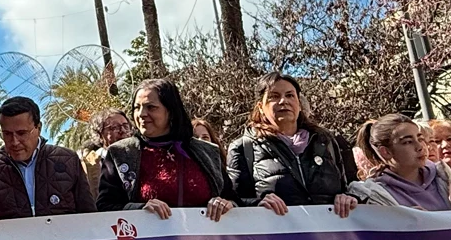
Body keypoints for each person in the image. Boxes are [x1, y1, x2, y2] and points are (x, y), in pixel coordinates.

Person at [98, 79, 236, 221]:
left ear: (170, 110)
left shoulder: (207, 152)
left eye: (150, 107)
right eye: (136, 107)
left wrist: (226, 205)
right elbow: (105, 206)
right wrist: (139, 209)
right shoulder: (120, 154)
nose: (141, 114)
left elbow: (233, 200)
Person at [227, 73, 355, 218]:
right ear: (260, 107)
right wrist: (257, 203)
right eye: (274, 96)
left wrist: (347, 198)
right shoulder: (243, 149)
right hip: (277, 237)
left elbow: (348, 188)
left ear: (299, 104)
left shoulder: (326, 141)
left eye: (290, 95)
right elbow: (233, 202)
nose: (283, 101)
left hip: (330, 235)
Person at [0, 96, 95, 219]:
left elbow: (89, 216)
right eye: (7, 134)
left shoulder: (67, 160)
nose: (14, 142)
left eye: (21, 133)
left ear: (38, 128)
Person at [348, 114, 450, 211]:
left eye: (420, 138)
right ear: (386, 152)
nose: (420, 147)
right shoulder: (373, 194)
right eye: (408, 142)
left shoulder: (444, 176)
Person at [82, 108, 134, 199]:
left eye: (126, 126)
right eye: (114, 127)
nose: (123, 131)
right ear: (100, 134)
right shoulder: (91, 163)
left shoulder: (139, 156)